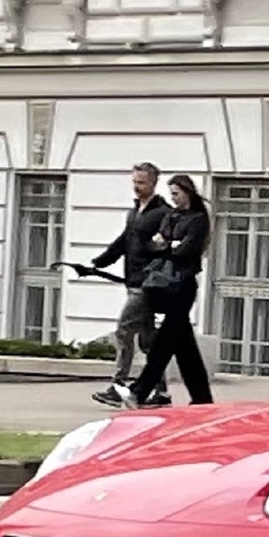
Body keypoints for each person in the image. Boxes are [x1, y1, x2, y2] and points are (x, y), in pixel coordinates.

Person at [98, 173, 211, 409]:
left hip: (182, 287)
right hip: (164, 284)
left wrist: (167, 245)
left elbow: (186, 251)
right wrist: (169, 245)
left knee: (164, 345)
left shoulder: (198, 219)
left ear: (187, 193)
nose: (174, 198)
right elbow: (153, 245)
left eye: (177, 194)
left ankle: (139, 392)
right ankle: (201, 398)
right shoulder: (172, 217)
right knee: (183, 346)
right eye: (171, 194)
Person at [87, 162, 168, 399]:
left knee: (123, 331)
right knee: (147, 341)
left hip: (146, 286)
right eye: (134, 181)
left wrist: (155, 253)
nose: (136, 187)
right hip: (132, 282)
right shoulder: (135, 212)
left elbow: (164, 248)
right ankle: (161, 391)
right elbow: (123, 242)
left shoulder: (161, 214)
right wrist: (99, 262)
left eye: (141, 182)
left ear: (153, 184)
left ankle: (118, 384)